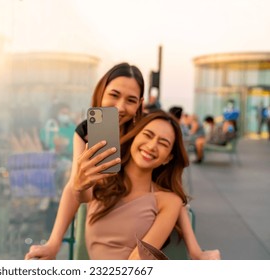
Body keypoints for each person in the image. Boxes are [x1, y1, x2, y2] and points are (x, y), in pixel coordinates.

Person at [24, 62, 220, 260]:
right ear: (101, 91)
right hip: (105, 211)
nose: (120, 107)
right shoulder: (88, 133)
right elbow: (77, 190)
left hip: (140, 216)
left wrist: (195, 250)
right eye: (114, 95)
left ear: (140, 104)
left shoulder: (143, 132)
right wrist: (53, 243)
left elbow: (173, 196)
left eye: (131, 100)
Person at [74, 111, 188, 259]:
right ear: (135, 136)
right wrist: (78, 184)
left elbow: (138, 259)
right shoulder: (102, 180)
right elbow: (81, 197)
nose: (152, 146)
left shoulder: (169, 201)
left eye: (163, 143)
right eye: (148, 135)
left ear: (168, 158)